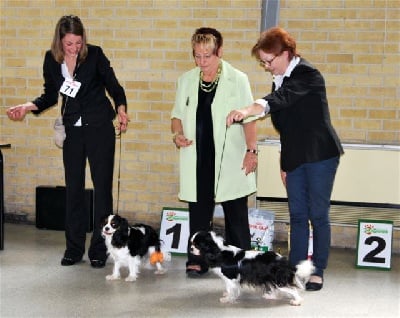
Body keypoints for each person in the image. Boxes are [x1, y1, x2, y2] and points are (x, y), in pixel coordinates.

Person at [6, 15, 129, 268]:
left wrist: (122, 108)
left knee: (102, 190)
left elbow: (114, 86)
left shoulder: (94, 55)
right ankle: (73, 248)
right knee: (73, 190)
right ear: (59, 42)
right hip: (73, 131)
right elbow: (51, 95)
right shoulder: (51, 59)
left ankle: (99, 249)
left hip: (99, 129)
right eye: (69, 44)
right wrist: (28, 107)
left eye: (78, 42)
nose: (74, 48)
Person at [226, 27, 343, 291]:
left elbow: (278, 100)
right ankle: (296, 269)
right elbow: (287, 128)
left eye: (270, 61)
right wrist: (284, 163)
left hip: (320, 154)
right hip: (295, 157)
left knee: (317, 214)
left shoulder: (307, 75)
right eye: (263, 62)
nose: (267, 67)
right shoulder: (281, 79)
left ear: (286, 54)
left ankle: (317, 270)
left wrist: (247, 109)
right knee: (297, 215)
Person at [171, 27, 258, 277]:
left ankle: (242, 263)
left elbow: (250, 119)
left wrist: (251, 151)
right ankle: (198, 259)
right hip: (197, 157)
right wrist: (177, 134)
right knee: (198, 213)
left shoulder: (238, 79)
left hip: (229, 158)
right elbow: (176, 116)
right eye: (197, 56)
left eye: (207, 56)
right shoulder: (186, 80)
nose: (201, 62)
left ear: (219, 52)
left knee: (236, 215)